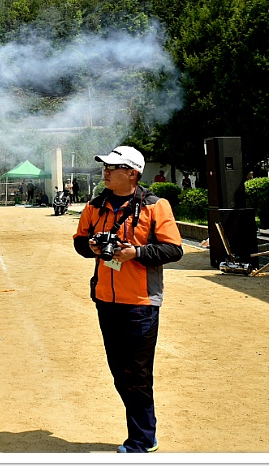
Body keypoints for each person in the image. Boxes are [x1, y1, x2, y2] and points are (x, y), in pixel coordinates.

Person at [73, 145, 183, 453]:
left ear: (132, 173)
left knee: (137, 375)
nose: (105, 172)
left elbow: (174, 249)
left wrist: (136, 252)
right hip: (106, 300)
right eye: (105, 167)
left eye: (113, 167)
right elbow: (80, 242)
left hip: (140, 303)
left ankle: (142, 439)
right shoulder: (95, 205)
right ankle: (144, 433)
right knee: (120, 372)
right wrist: (92, 247)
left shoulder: (155, 206)